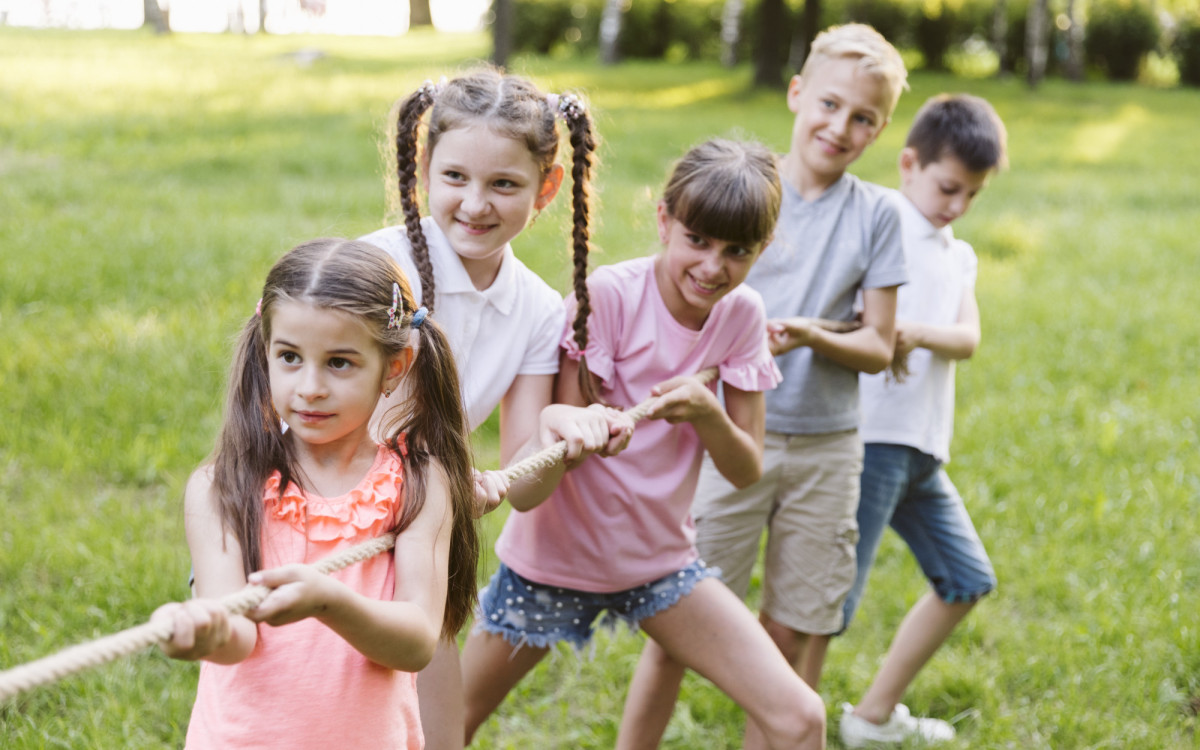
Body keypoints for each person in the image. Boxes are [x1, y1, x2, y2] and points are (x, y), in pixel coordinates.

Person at [460, 138, 826, 750]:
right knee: (445, 723)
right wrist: (587, 427)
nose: (713, 267)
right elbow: (556, 449)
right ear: (664, 221)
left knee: (801, 716)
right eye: (697, 240)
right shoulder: (608, 296)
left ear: (762, 250)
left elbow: (746, 468)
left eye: (737, 251)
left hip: (659, 565)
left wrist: (707, 413)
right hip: (554, 562)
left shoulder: (742, 316)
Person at [621, 23, 910, 749]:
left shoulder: (877, 215)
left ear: (880, 130)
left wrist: (810, 334)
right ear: (796, 93)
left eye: (863, 118)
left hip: (826, 447)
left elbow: (878, 345)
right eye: (830, 104)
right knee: (679, 627)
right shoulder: (740, 192)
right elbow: (679, 303)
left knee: (792, 630)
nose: (839, 127)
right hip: (729, 440)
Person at [359, 69, 630, 750]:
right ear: (425, 167)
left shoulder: (536, 309)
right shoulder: (374, 268)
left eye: (504, 184)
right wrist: (442, 483)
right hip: (322, 523)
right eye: (455, 177)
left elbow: (524, 484)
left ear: (547, 187)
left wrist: (558, 435)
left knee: (437, 736)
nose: (475, 204)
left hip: (423, 538)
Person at [153, 238, 480, 749]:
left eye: (339, 363)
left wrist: (330, 603)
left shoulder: (417, 483)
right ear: (265, 353)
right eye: (289, 357)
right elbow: (236, 636)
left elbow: (418, 639)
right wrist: (203, 631)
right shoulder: (223, 485)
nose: (310, 386)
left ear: (394, 366)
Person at [836, 93, 1007, 749]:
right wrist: (885, 331)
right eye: (948, 188)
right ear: (909, 164)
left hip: (923, 451)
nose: (957, 206)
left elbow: (968, 338)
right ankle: (779, 721)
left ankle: (872, 717)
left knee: (967, 580)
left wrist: (909, 332)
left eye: (973, 195)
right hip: (873, 442)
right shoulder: (881, 224)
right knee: (830, 607)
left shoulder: (958, 253)